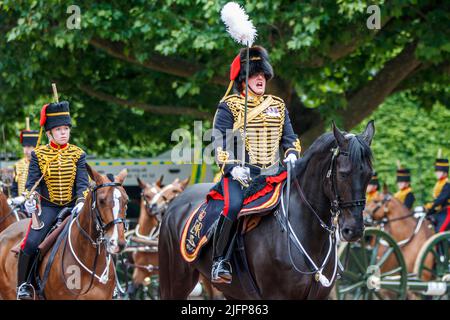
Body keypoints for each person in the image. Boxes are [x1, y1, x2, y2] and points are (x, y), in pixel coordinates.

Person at [211, 46, 301, 284]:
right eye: (254, 74)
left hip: (274, 173)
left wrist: (292, 153)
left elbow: (290, 139)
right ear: (243, 79)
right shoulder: (228, 106)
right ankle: (220, 260)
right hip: (241, 175)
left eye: (263, 74)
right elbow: (219, 141)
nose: (260, 78)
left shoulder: (278, 105)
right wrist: (231, 166)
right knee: (233, 206)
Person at [16, 101, 89, 300]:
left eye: (66, 129)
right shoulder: (39, 155)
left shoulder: (78, 154)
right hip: (49, 207)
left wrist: (82, 201)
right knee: (31, 243)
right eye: (59, 129)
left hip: (74, 205)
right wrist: (31, 199)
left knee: (101, 236)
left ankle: (112, 283)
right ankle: (25, 284)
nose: (64, 133)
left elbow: (83, 183)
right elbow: (32, 185)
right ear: (49, 133)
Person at [9, 130, 39, 215]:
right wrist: (14, 199)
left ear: (35, 147)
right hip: (20, 205)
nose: (26, 150)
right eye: (25, 146)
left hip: (35, 204)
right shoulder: (18, 165)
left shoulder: (41, 164)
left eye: (29, 146)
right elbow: (14, 187)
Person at [426, 158, 450, 232]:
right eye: (437, 171)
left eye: (440, 171)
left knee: (440, 231)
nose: (437, 173)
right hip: (440, 212)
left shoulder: (447, 184)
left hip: (448, 212)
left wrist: (430, 205)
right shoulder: (438, 184)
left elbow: (441, 199)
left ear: (445, 173)